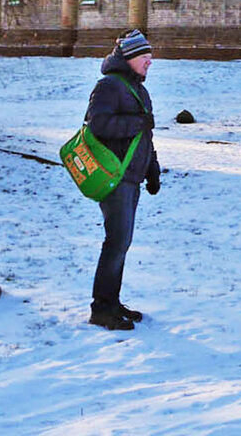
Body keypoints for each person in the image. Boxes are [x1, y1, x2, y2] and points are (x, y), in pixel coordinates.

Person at [85, 28, 160, 330]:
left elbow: (145, 135)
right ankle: (101, 309)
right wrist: (136, 122)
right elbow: (98, 124)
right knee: (115, 242)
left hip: (132, 177)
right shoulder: (109, 86)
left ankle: (112, 302)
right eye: (144, 56)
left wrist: (152, 168)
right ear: (129, 58)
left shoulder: (138, 89)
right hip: (114, 177)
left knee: (122, 242)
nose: (150, 62)